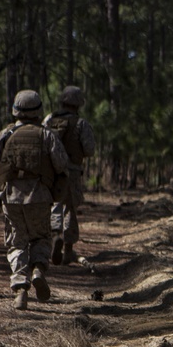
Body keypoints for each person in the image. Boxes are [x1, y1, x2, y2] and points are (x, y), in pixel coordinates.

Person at [0, 89, 69, 310]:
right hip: (40, 196)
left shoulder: (2, 136)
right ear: (38, 110)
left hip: (11, 197)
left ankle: (21, 289)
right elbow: (62, 164)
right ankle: (38, 270)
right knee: (41, 238)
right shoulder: (47, 135)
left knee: (17, 242)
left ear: (15, 110)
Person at [44, 85, 97, 266]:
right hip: (73, 172)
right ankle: (68, 249)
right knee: (70, 209)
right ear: (78, 104)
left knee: (54, 206)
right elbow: (89, 150)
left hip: (52, 171)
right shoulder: (81, 124)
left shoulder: (50, 119)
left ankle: (55, 235)